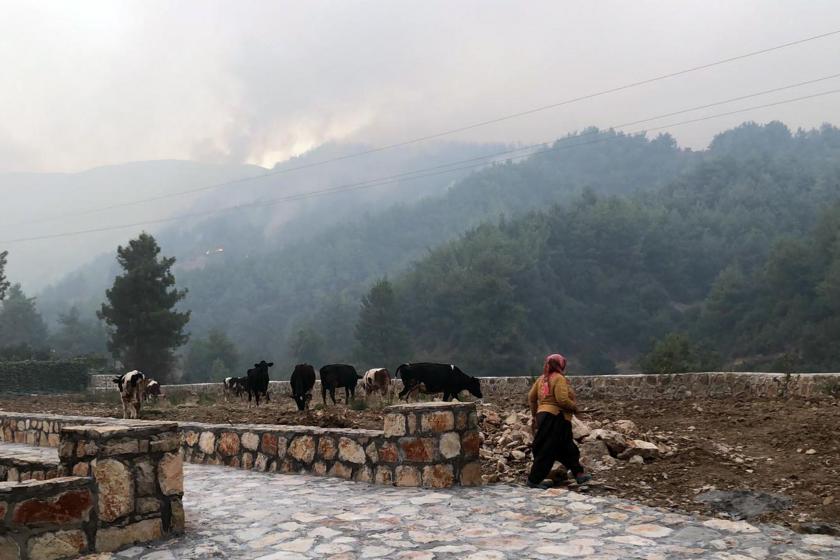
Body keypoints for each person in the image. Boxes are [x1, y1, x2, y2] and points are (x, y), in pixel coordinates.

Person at [526, 353, 590, 488]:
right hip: (556, 418)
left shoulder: (541, 380)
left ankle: (579, 474)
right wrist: (575, 408)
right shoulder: (559, 378)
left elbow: (531, 398)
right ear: (560, 365)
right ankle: (534, 480)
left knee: (567, 447)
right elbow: (562, 400)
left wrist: (535, 415)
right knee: (547, 449)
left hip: (544, 416)